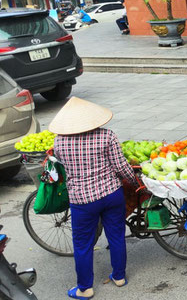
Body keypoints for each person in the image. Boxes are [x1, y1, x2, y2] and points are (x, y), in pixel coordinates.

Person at [49, 97, 140, 300]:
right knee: (116, 236)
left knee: (82, 245)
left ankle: (85, 288)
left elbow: (63, 165)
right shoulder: (107, 136)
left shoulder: (59, 141)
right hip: (111, 194)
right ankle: (119, 277)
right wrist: (136, 184)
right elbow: (121, 167)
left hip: (82, 200)